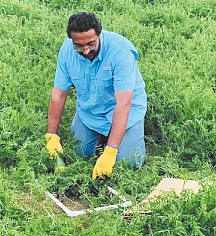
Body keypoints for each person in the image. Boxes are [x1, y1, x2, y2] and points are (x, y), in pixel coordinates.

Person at [45, 12, 147, 180]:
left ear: (100, 35)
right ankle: (102, 138)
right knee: (76, 154)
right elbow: (59, 95)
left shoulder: (120, 52)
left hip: (126, 111)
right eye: (79, 46)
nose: (86, 51)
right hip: (90, 112)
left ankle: (115, 141)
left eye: (91, 43)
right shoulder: (66, 51)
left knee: (129, 164)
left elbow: (123, 104)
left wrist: (111, 151)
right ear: (72, 41)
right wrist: (52, 135)